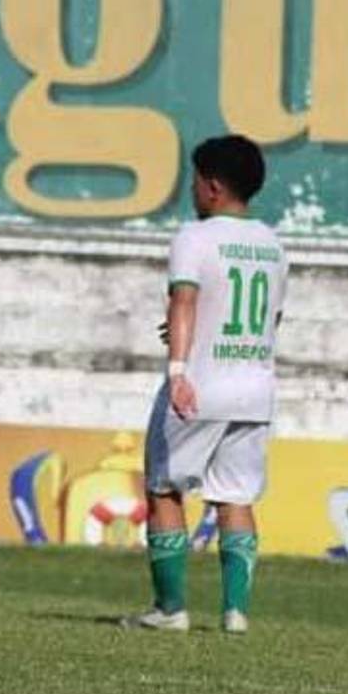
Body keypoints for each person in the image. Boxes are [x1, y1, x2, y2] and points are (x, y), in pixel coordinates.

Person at [123, 135, 288, 635]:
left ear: (213, 186)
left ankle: (170, 608)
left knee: (164, 490)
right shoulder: (273, 243)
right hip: (255, 386)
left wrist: (178, 370)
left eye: (195, 180)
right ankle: (235, 611)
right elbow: (269, 318)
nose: (191, 190)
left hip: (201, 383)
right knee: (235, 497)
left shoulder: (194, 237)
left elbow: (186, 301)